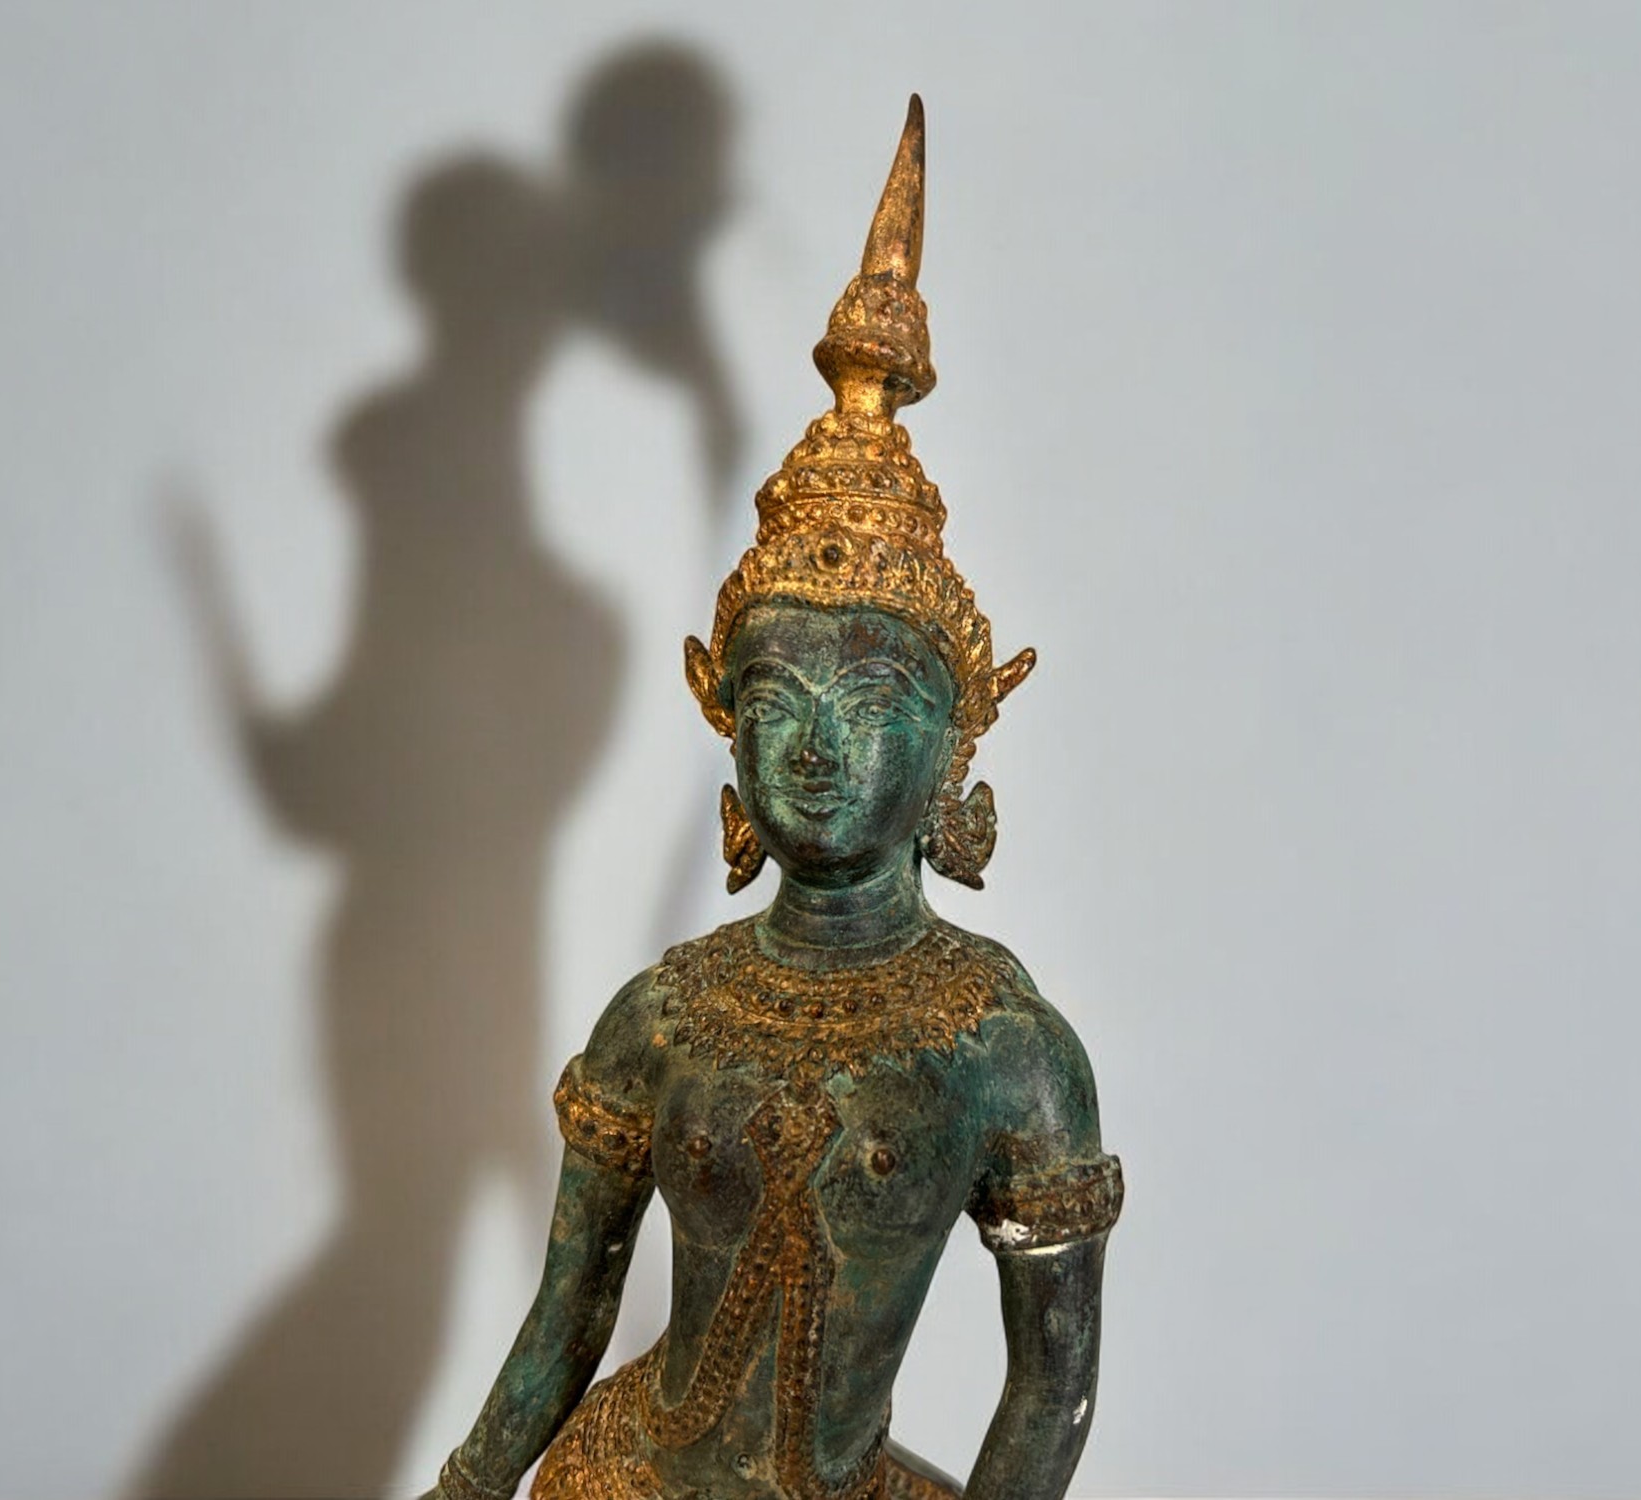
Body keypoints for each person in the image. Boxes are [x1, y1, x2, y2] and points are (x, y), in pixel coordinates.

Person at [424, 98, 1122, 1500]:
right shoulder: (667, 1014)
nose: (815, 743)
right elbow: (563, 1322)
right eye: (778, 694)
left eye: (870, 697)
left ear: (954, 743)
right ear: (723, 718)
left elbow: (1050, 1391)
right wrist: (462, 1490)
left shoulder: (1004, 1050)